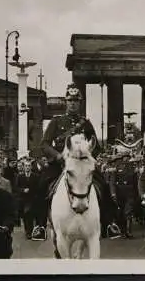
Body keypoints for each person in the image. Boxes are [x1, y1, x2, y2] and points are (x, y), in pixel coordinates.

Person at [37, 83, 102, 241]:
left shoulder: (86, 124)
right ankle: (39, 226)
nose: (73, 103)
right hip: (60, 164)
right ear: (66, 102)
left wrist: (86, 156)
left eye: (76, 101)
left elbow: (97, 147)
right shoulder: (56, 122)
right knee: (40, 186)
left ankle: (108, 223)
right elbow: (44, 144)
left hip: (80, 166)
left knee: (103, 184)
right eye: (70, 100)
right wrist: (58, 156)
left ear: (80, 103)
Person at [109, 152, 137, 239]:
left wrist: (137, 193)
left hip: (130, 192)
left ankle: (129, 231)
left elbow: (136, 182)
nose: (126, 159)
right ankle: (123, 231)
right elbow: (112, 182)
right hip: (119, 193)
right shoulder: (116, 168)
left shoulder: (133, 168)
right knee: (121, 213)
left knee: (128, 212)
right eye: (124, 157)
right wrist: (113, 193)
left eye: (127, 157)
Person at [16, 159, 40, 240]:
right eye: (26, 166)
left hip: (33, 199)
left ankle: (32, 231)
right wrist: (23, 190)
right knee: (26, 216)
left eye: (29, 166)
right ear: (23, 167)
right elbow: (16, 187)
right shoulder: (20, 176)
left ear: (31, 167)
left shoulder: (35, 176)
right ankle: (28, 231)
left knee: (32, 216)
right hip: (24, 199)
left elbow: (38, 187)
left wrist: (34, 194)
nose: (27, 167)